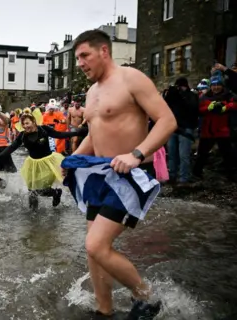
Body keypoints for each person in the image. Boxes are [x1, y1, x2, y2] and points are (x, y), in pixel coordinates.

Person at [67, 29, 177, 318]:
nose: (80, 63)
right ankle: (104, 309)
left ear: (104, 51)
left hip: (131, 174)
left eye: (84, 55)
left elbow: (167, 121)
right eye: (77, 57)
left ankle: (147, 297)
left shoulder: (132, 78)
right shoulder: (91, 93)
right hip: (100, 175)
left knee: (96, 244)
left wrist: (136, 154)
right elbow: (95, 133)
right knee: (93, 249)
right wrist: (72, 159)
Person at [0, 113, 87, 210]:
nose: (25, 126)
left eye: (27, 123)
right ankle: (33, 213)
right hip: (32, 164)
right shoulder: (22, 135)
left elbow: (59, 134)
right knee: (31, 190)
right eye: (23, 124)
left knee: (39, 190)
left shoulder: (43, 130)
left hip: (48, 163)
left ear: (33, 122)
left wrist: (77, 133)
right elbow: (11, 148)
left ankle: (55, 193)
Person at [192, 74, 237, 180]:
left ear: (222, 85)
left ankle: (231, 175)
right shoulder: (204, 97)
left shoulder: (229, 95)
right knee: (202, 153)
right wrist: (209, 108)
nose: (216, 87)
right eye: (213, 85)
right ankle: (196, 174)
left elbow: (235, 104)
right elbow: (199, 110)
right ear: (210, 86)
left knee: (227, 154)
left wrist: (226, 107)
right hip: (207, 130)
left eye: (218, 85)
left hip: (223, 130)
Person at [164, 77, 199, 185]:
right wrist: (169, 95)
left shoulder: (191, 96)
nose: (179, 88)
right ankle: (172, 176)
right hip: (173, 128)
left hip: (186, 128)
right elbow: (165, 106)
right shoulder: (172, 96)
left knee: (184, 155)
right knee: (172, 154)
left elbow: (193, 108)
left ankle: (184, 178)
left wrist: (181, 95)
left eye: (181, 86)